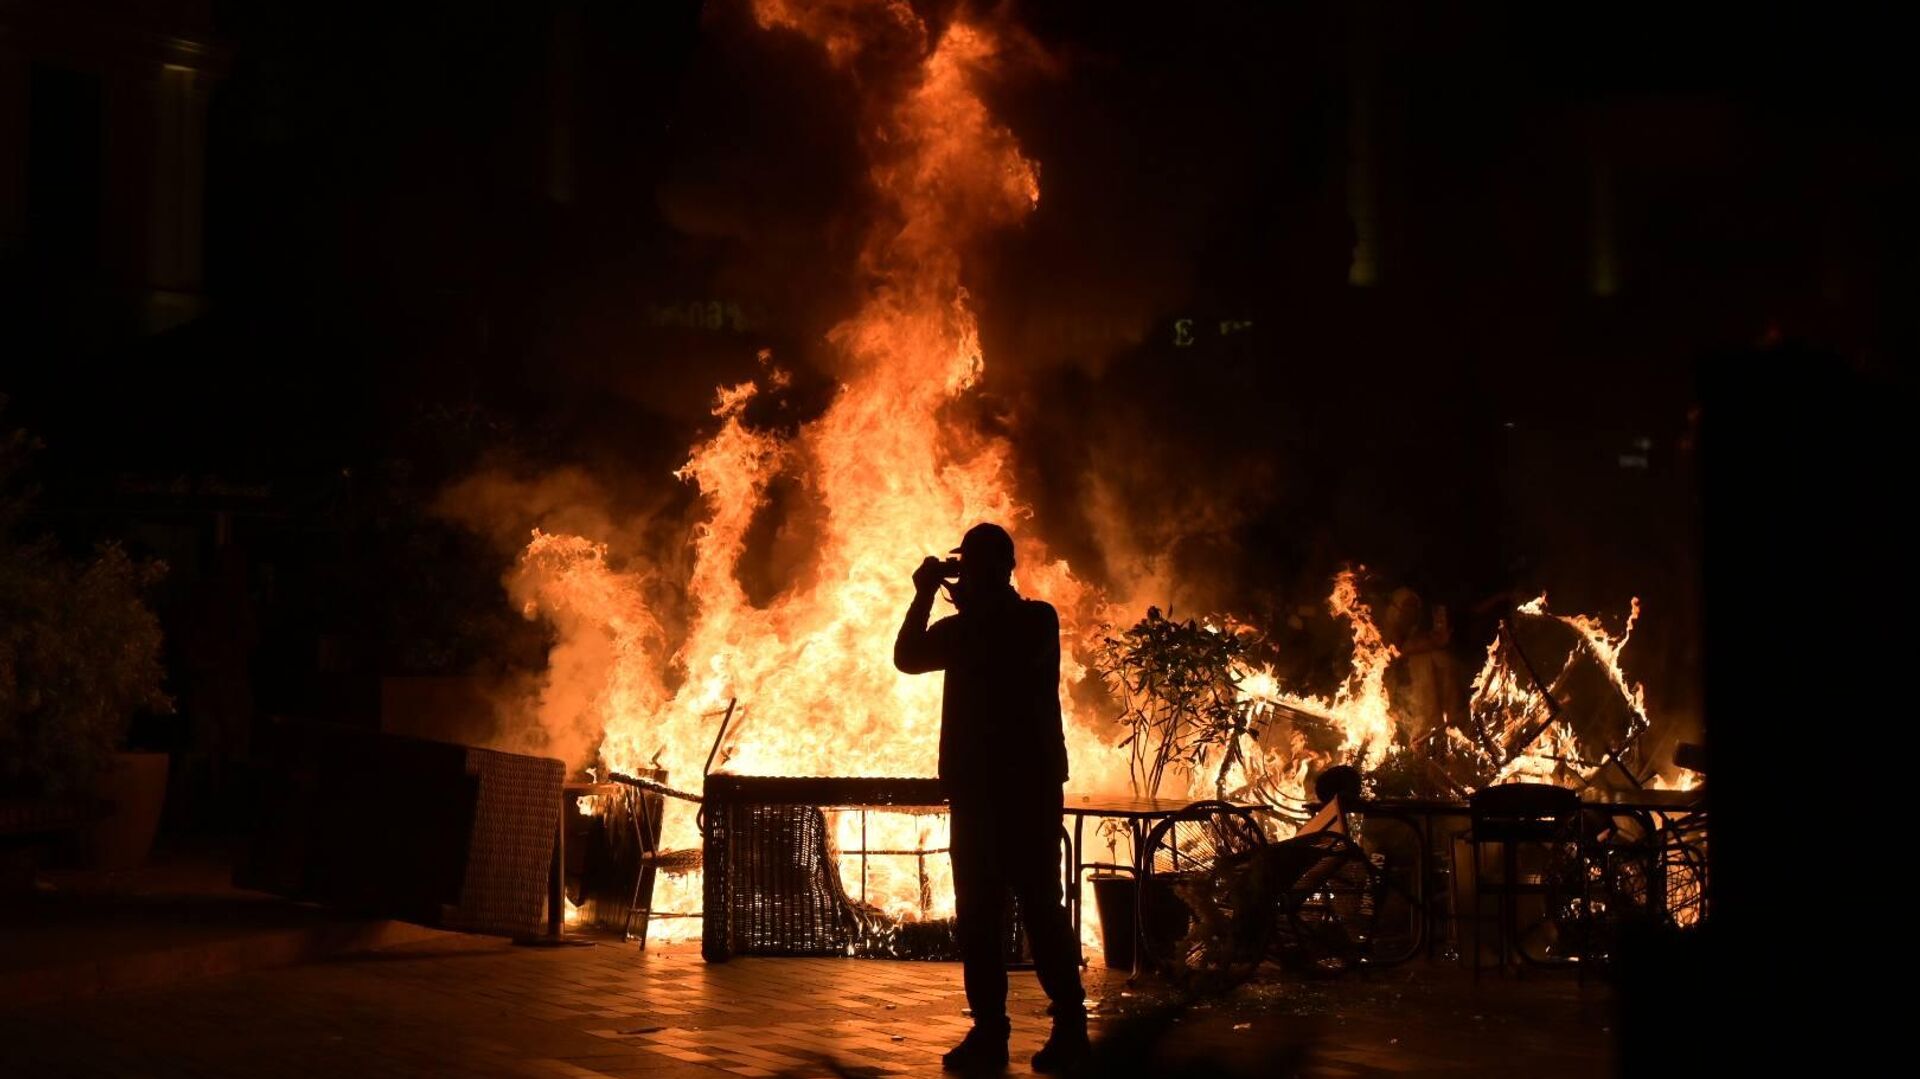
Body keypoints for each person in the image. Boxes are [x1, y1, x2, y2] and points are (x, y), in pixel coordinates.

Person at [895, 522, 1089, 1074]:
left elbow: (907, 655)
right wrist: (953, 588)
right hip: (1028, 790)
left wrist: (927, 589)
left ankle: (996, 1032)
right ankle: (1064, 1029)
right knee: (1036, 909)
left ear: (982, 571)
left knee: (986, 915)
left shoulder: (983, 626)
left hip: (988, 793)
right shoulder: (1037, 619)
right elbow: (914, 657)